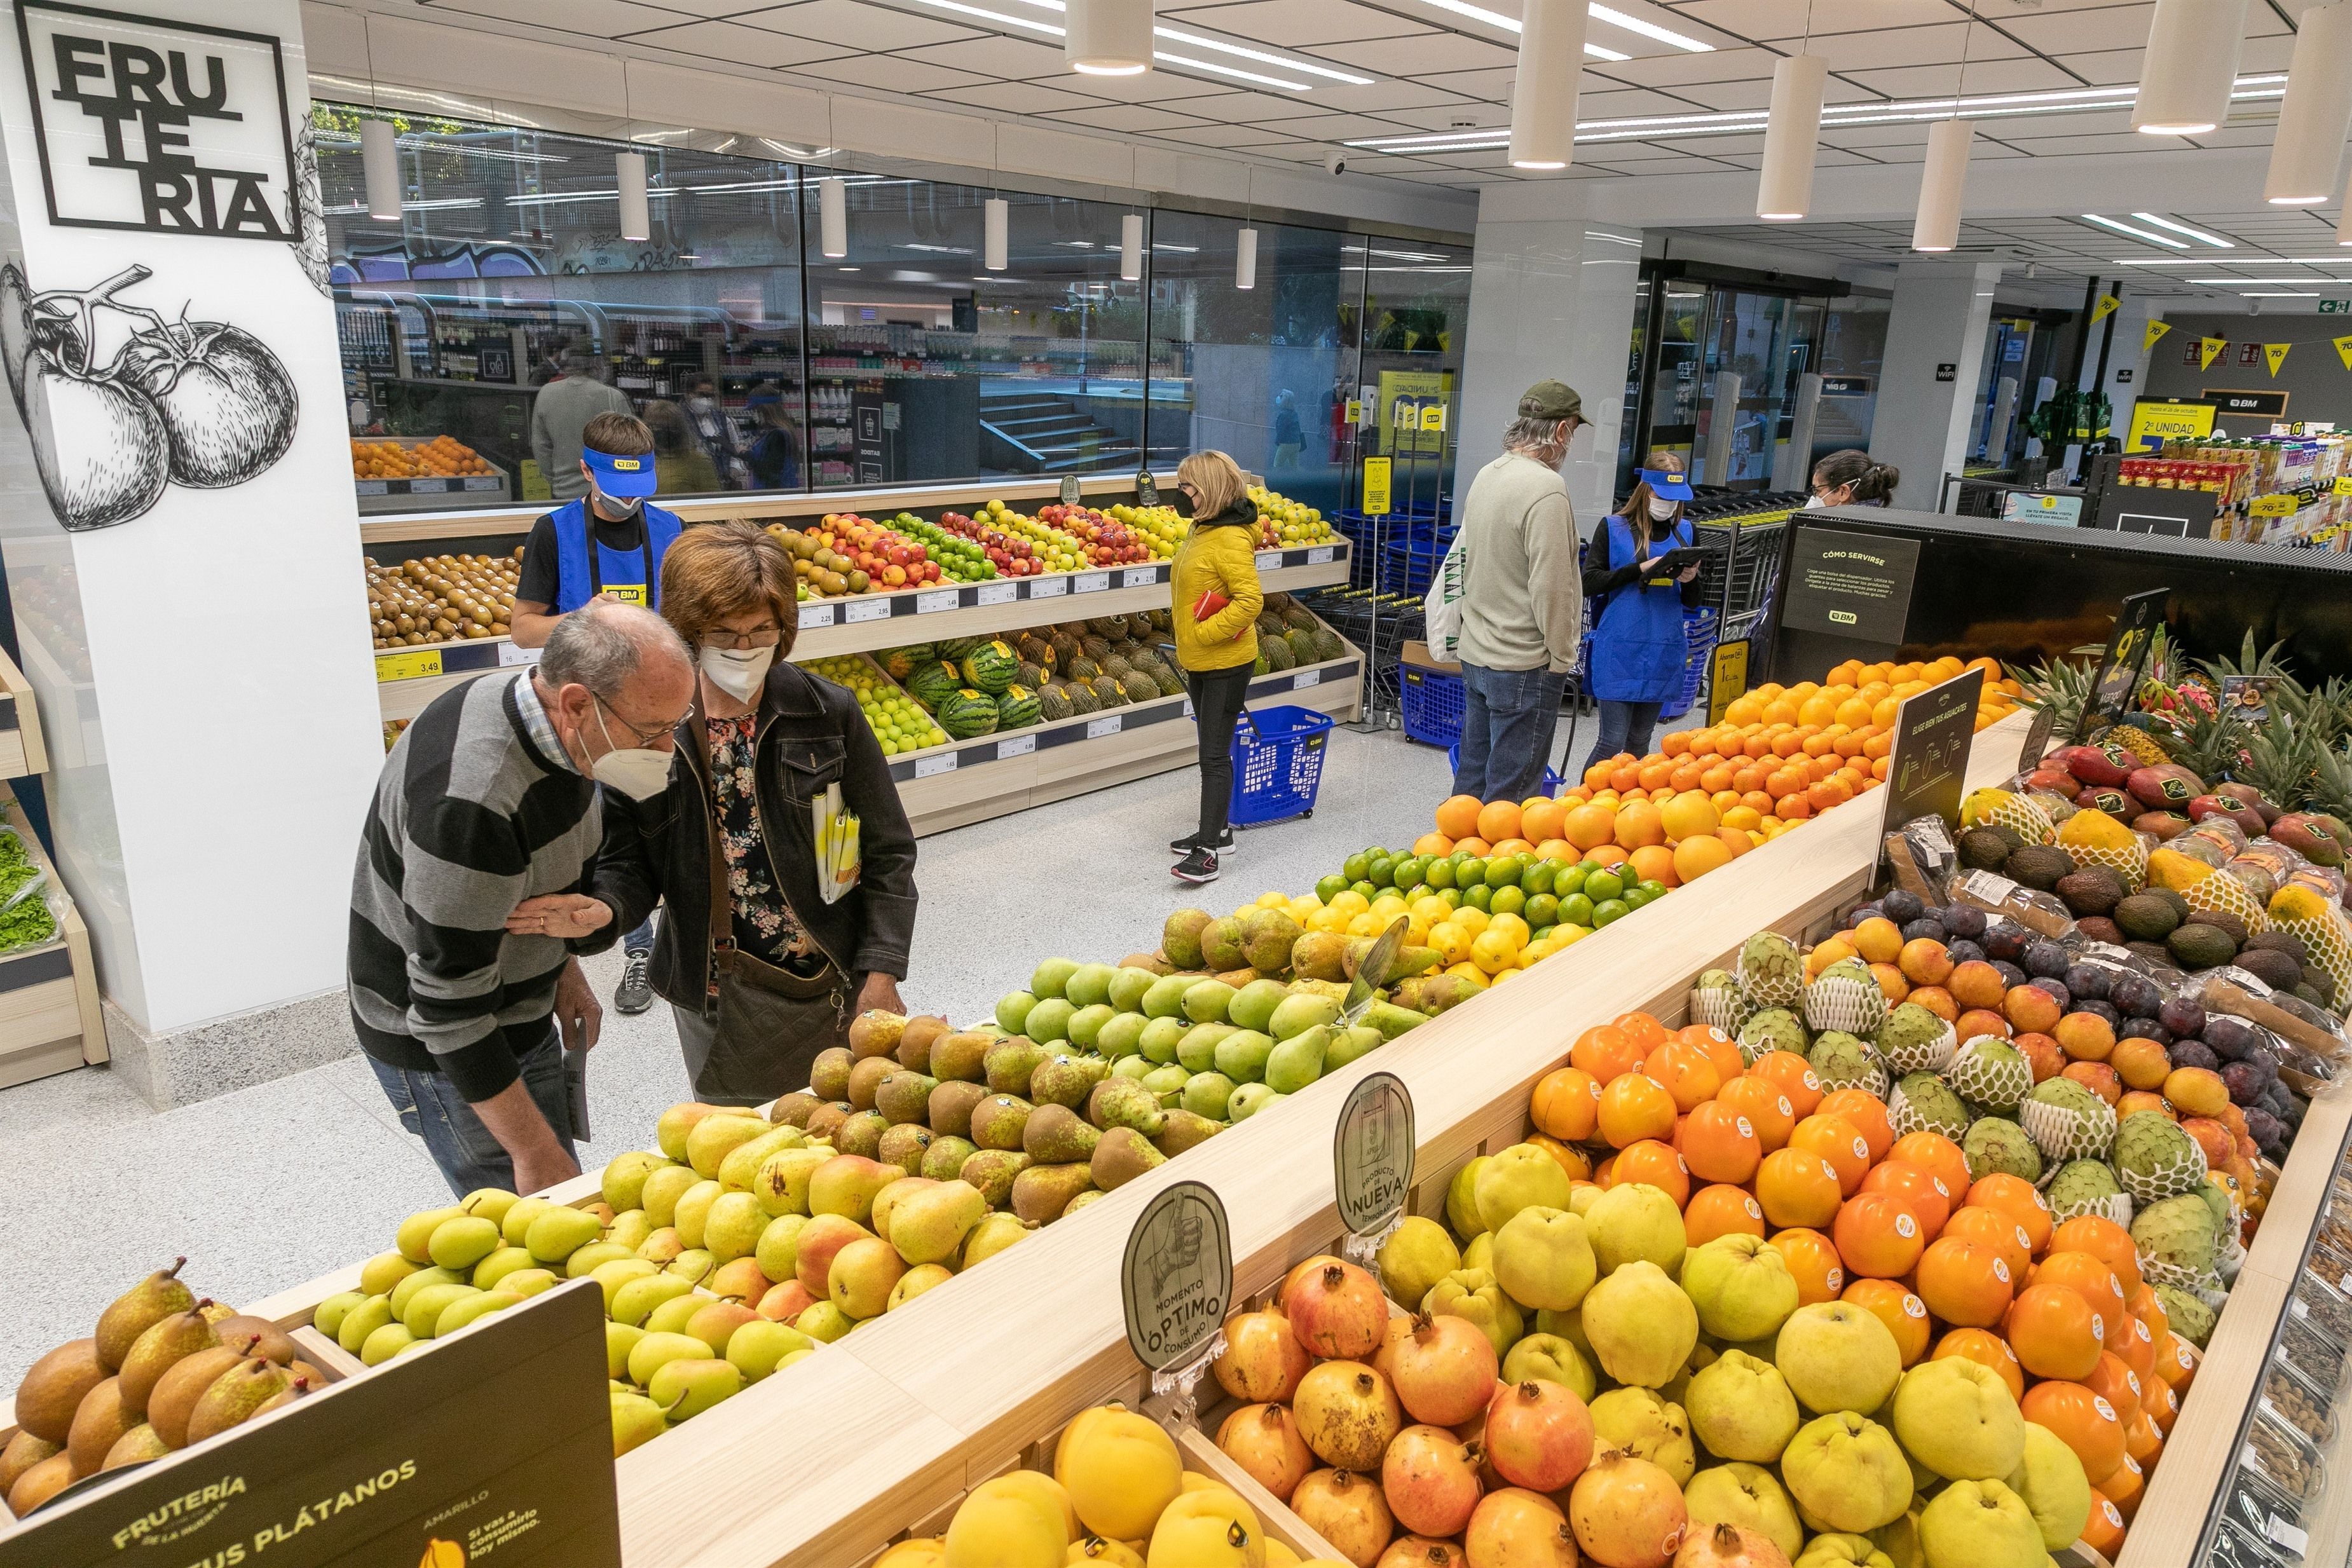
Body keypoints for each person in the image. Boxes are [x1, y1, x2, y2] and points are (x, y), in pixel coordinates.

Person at [348, 601, 696, 1198]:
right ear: (577, 704)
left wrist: (564, 971)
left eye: (675, 724)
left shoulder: (559, 729)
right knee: (524, 1216)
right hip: (446, 1042)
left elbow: (535, 881)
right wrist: (533, 1151)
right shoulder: (471, 802)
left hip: (510, 1001)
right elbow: (446, 1008)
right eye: (650, 732)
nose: (666, 749)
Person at [592, 522, 919, 1103]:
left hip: (831, 974)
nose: (745, 650)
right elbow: (628, 860)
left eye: (761, 631)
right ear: (687, 631)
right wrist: (600, 912)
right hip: (714, 984)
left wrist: (882, 969)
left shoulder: (826, 711)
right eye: (724, 633)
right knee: (740, 1153)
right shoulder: (647, 724)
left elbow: (889, 849)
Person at [509, 409, 687, 1018]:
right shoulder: (553, 532)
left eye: (639, 492)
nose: (628, 503)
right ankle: (634, 947)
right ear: (586, 470)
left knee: (662, 819)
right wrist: (592, 621)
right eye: (616, 489)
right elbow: (523, 626)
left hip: (657, 711)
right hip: (581, 718)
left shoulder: (672, 529)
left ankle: (675, 938)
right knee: (604, 835)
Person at [1449, 381, 1587, 804]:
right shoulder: (1546, 488)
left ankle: (1449, 863)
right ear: (1561, 432)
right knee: (1511, 796)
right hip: (1524, 664)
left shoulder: (1487, 474)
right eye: (1574, 435)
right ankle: (1488, 867)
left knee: (1471, 780)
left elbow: (1467, 560)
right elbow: (1552, 587)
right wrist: (1562, 657)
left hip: (1477, 653)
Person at [1168, 450, 1264, 885]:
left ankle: (1207, 853)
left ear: (1208, 491)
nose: (1180, 494)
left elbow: (1251, 601)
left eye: (1187, 486)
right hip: (1200, 659)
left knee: (1214, 754)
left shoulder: (1229, 539)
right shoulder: (1202, 529)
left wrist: (1204, 635)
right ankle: (1219, 831)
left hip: (1225, 661)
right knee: (1210, 746)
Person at [1580, 454, 1706, 771]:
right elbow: (1588, 583)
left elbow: (1693, 601)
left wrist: (1691, 580)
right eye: (1663, 496)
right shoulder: (1614, 528)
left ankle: (1627, 808)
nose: (1669, 504)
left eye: (1676, 499)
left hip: (1663, 649)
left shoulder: (1687, 533)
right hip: (1621, 648)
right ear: (1647, 490)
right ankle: (1581, 809)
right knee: (1611, 742)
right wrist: (1638, 569)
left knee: (1639, 741)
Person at [530, 346, 631, 501]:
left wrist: (555, 479)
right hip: (608, 491)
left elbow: (541, 446)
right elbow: (631, 447)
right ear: (597, 365)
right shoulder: (612, 396)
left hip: (563, 490)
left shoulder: (546, 393)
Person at [645, 399, 720, 494]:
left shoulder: (698, 462)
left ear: (679, 429)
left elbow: (713, 500)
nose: (662, 431)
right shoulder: (640, 461)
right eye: (656, 426)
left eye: (668, 427)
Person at [685, 375, 748, 488]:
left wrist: (732, 473)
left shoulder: (724, 420)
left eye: (710, 396)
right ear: (689, 394)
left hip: (723, 487)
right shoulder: (678, 420)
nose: (706, 400)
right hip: (692, 486)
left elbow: (738, 451)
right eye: (702, 395)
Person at [1808, 449, 1901, 508]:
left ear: (1843, 492)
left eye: (1817, 490)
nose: (1815, 497)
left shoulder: (1833, 533)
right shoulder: (1879, 523)